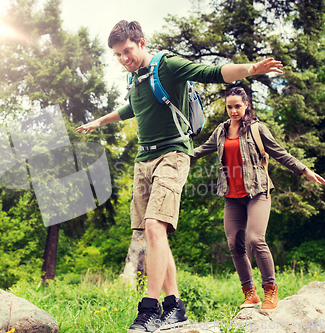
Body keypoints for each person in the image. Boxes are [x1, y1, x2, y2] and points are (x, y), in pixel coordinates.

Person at [76, 20, 284, 333]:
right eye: (118, 55)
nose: (123, 59)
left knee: (154, 226)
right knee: (151, 234)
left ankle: (149, 309)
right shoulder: (137, 79)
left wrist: (252, 68)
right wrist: (99, 122)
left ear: (142, 43)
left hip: (172, 155)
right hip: (143, 159)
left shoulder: (167, 66)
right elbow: (131, 108)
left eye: (127, 51)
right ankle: (175, 307)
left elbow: (211, 72)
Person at [193, 87, 325, 311]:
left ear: (246, 105)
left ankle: (270, 290)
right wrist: (177, 154)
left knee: (255, 239)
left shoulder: (257, 129)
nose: (233, 110)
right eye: (229, 106)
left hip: (258, 192)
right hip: (232, 196)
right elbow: (200, 150)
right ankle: (250, 293)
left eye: (237, 106)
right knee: (235, 244)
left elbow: (280, 153)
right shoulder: (221, 131)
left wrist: (304, 170)